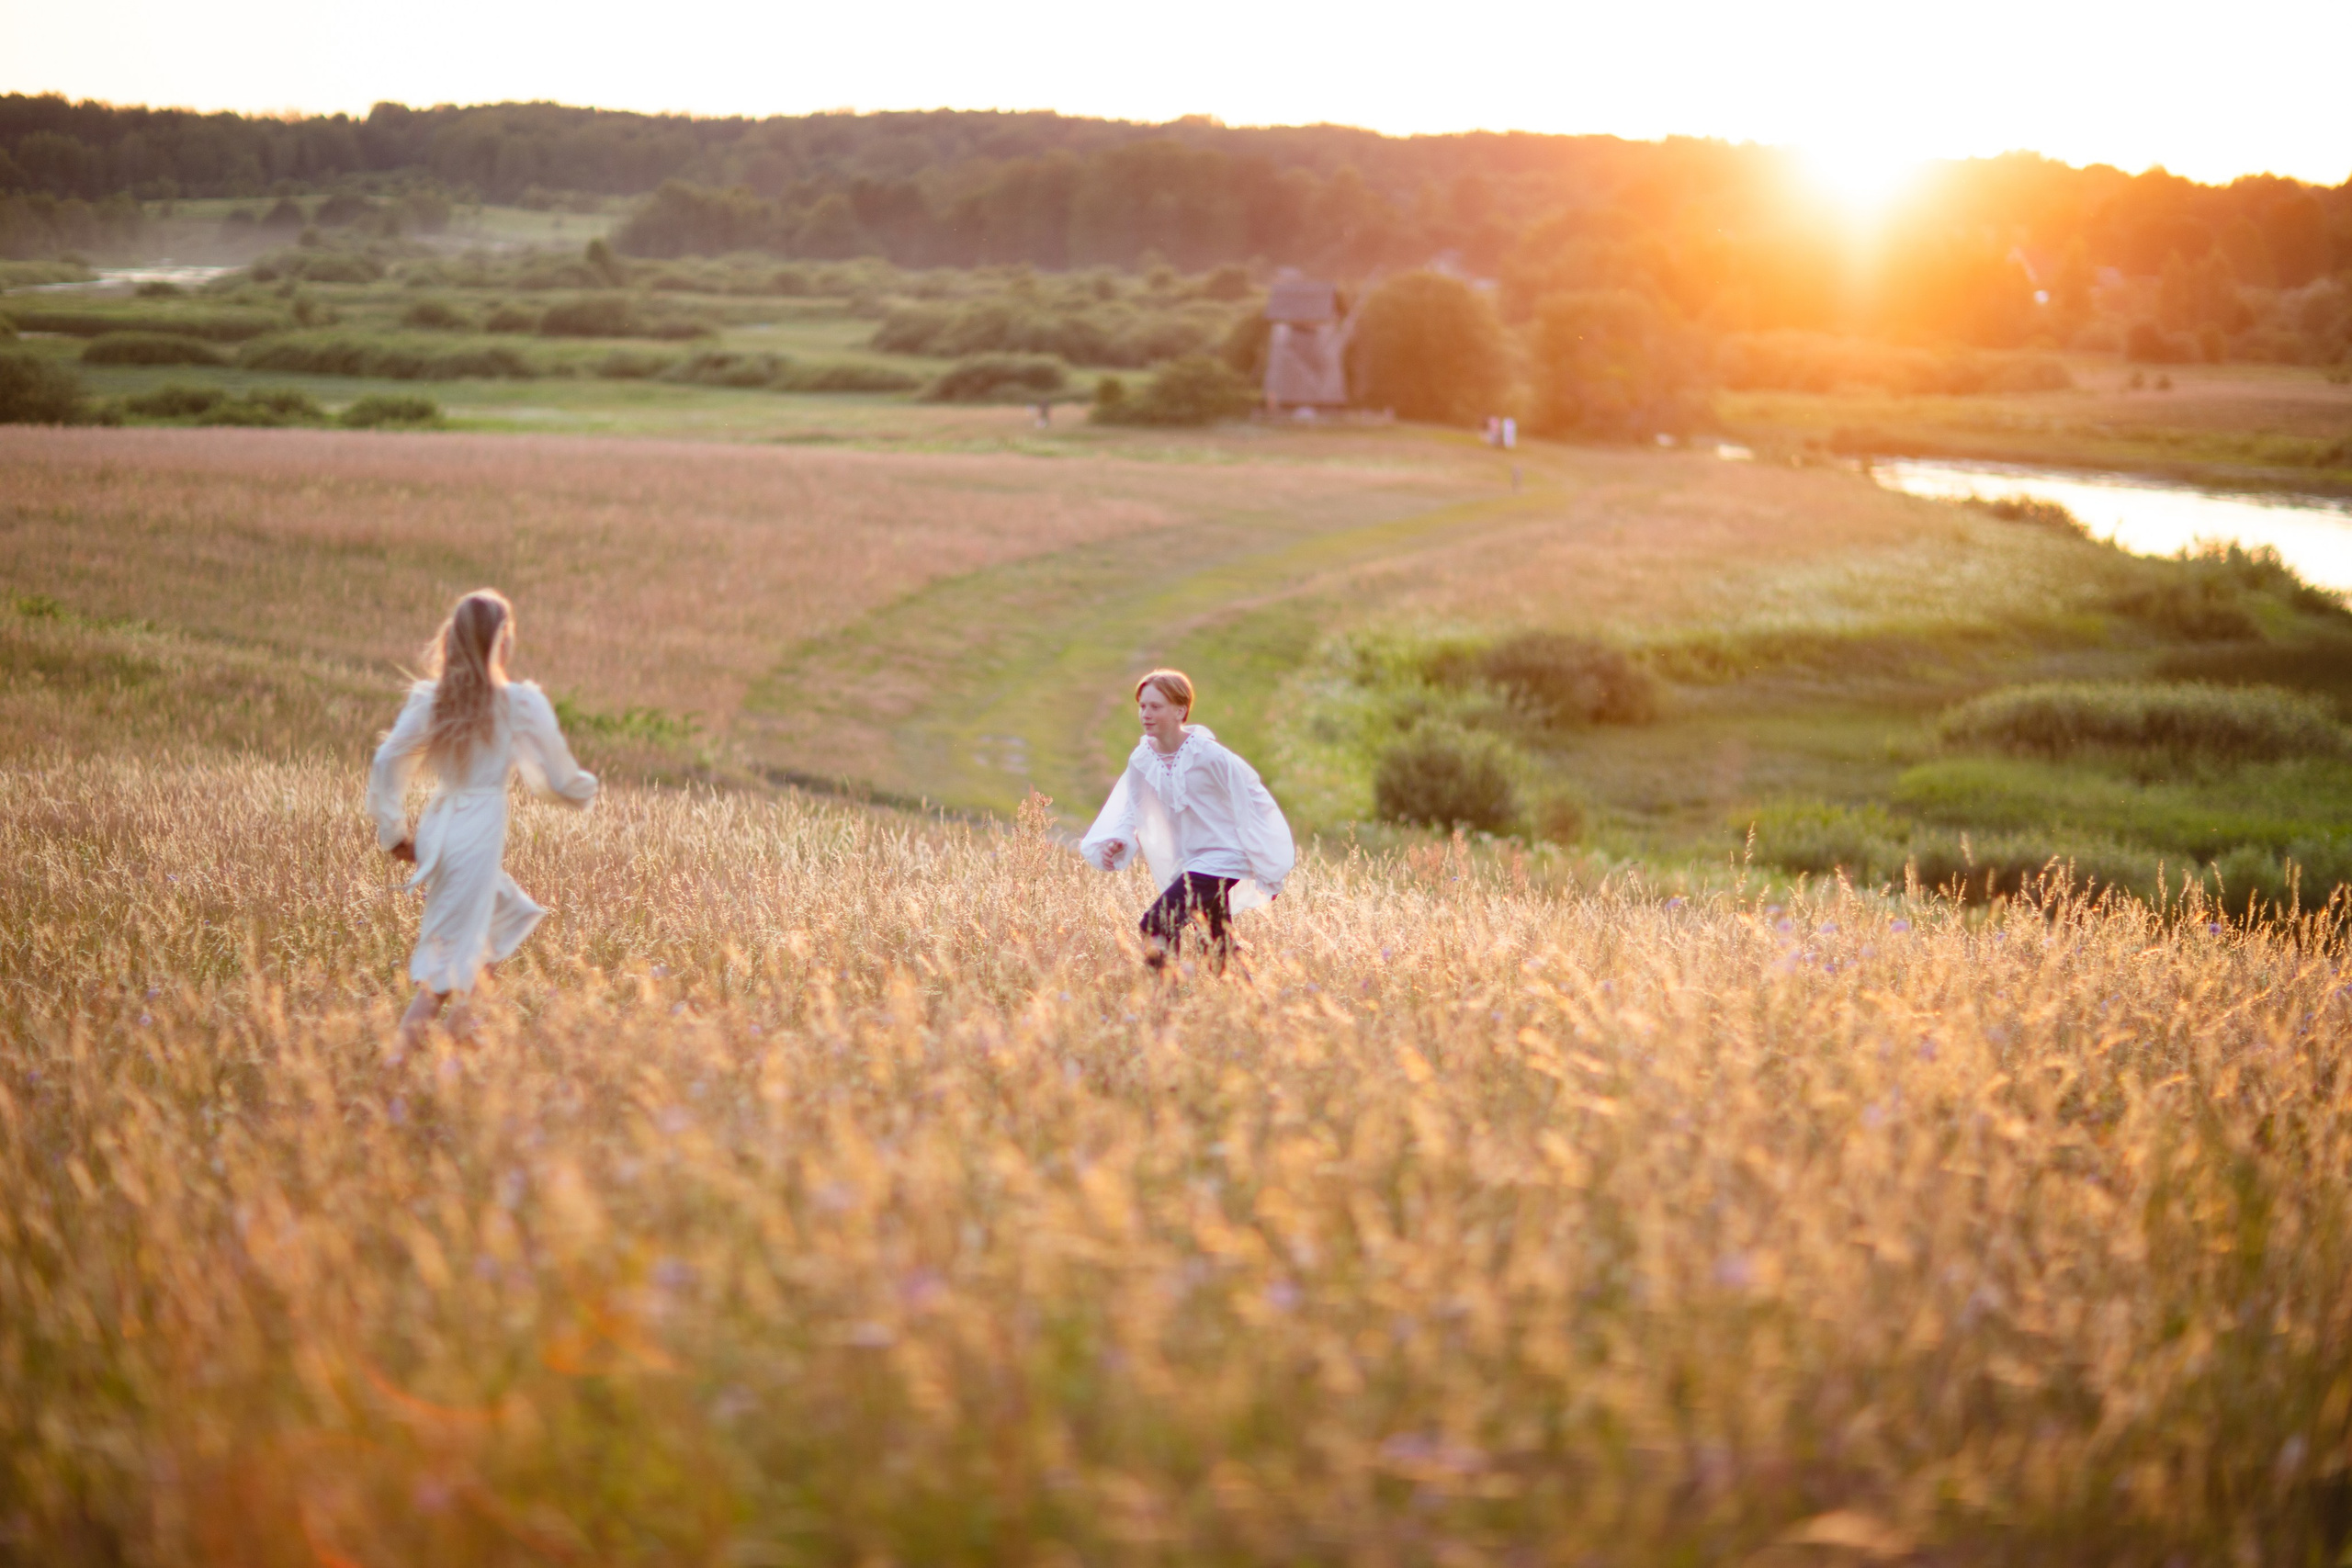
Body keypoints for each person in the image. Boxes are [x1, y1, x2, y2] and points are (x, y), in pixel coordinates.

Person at [369, 589, 597, 1044]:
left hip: (442, 828)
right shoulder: (516, 702)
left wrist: (395, 832)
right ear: (502, 640)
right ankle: (405, 1066)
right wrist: (583, 791)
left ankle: (455, 1052)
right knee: (443, 977)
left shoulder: (433, 700)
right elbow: (559, 777)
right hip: (476, 836)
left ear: (452, 639)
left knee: (497, 925)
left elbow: (387, 761)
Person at [1080, 669, 1295, 972]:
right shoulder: (1142, 759)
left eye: (1156, 707)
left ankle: (1165, 1005)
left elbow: (1252, 801)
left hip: (1225, 856)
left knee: (1156, 923)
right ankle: (1249, 1008)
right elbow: (1132, 806)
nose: (1146, 714)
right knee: (1215, 942)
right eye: (1142, 706)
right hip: (1191, 860)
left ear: (1180, 710)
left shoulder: (1210, 756)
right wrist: (1120, 839)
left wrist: (1268, 863)